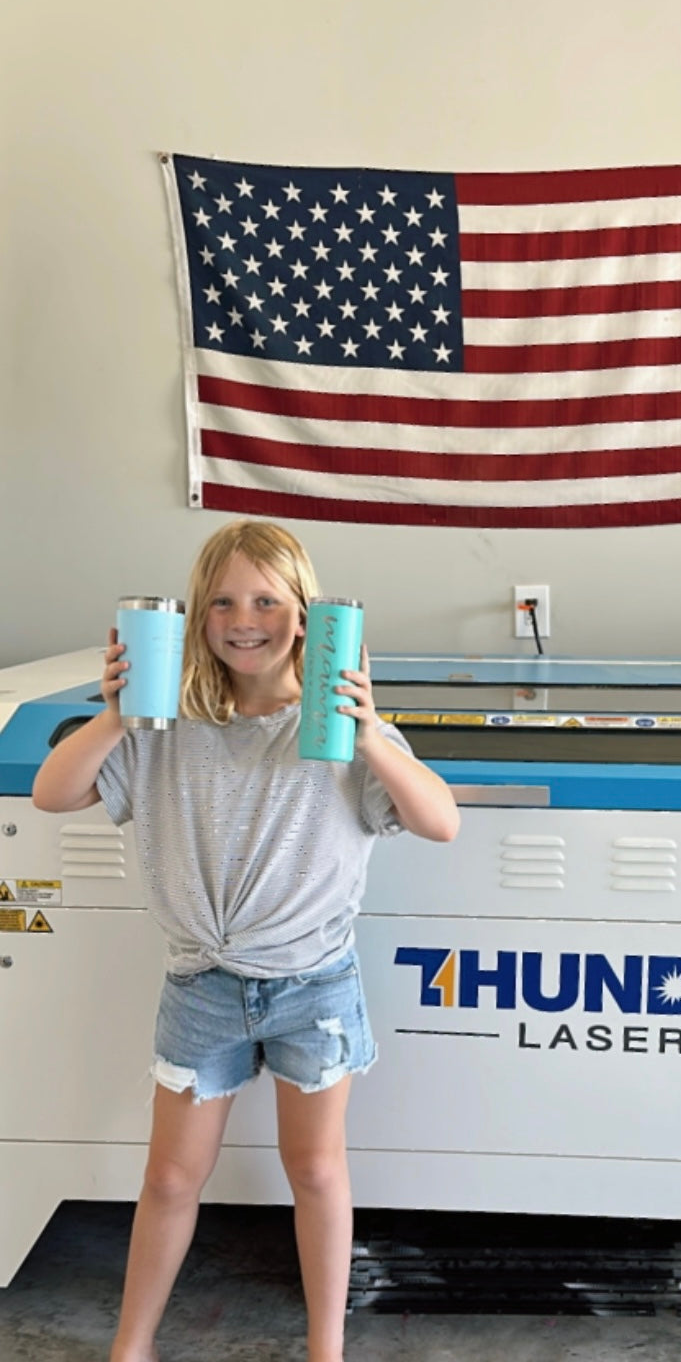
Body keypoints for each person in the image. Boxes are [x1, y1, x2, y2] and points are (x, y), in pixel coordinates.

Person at [32, 519, 460, 1362]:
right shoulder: (161, 728)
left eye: (266, 601)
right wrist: (115, 715)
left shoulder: (337, 731)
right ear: (196, 618)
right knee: (169, 1178)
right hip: (203, 988)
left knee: (317, 1172)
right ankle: (131, 1344)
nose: (243, 619)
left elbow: (439, 821)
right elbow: (53, 793)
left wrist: (370, 735)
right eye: (222, 602)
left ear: (306, 615)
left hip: (313, 987)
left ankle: (325, 1348)